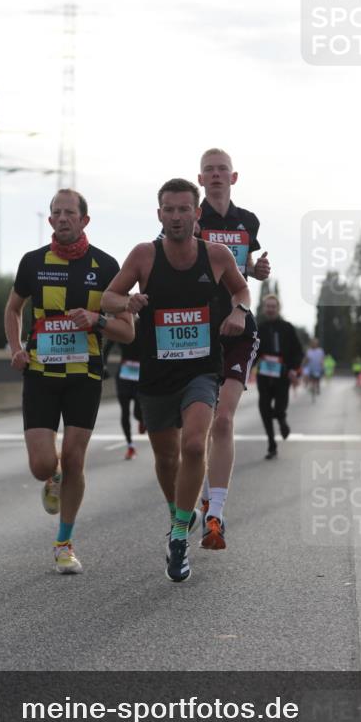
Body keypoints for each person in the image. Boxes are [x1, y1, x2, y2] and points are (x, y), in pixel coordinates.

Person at [102, 178, 250, 582]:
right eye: (169, 209)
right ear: (159, 215)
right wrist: (127, 301)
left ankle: (181, 536)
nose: (177, 216)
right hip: (156, 373)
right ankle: (177, 516)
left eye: (184, 209)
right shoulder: (144, 255)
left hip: (201, 369)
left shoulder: (216, 255)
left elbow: (240, 291)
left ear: (197, 214)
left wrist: (239, 313)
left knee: (193, 444)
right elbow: (107, 298)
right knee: (167, 458)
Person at [4, 189, 134, 575]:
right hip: (41, 374)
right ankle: (54, 477)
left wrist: (97, 321)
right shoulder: (32, 263)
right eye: (56, 213)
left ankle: (64, 543)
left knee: (76, 457)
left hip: (85, 375)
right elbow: (13, 308)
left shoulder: (107, 266)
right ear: (50, 221)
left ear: (84, 220)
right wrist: (16, 347)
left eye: (69, 213)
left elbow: (128, 332)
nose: (62, 218)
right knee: (43, 465)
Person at [193, 148, 269, 549]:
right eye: (210, 170)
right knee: (196, 427)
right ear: (201, 179)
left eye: (223, 169)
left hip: (239, 329)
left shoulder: (248, 221)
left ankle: (216, 514)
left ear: (234, 177)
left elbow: (242, 268)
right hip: (196, 332)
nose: (217, 175)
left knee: (222, 420)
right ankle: (203, 494)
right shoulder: (190, 218)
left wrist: (255, 272)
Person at [255, 294, 304, 459]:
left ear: (278, 308)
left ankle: (282, 420)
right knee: (264, 408)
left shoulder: (287, 328)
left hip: (282, 373)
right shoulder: (258, 328)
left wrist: (294, 370)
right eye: (267, 306)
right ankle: (271, 444)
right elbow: (252, 351)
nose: (270, 309)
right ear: (264, 308)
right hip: (264, 373)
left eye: (273, 306)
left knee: (279, 407)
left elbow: (298, 351)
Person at [103, 319, 145, 460]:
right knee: (125, 411)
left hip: (141, 372)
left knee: (138, 412)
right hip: (125, 372)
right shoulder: (121, 326)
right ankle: (130, 446)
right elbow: (108, 347)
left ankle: (142, 420)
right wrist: (104, 367)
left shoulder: (142, 324)